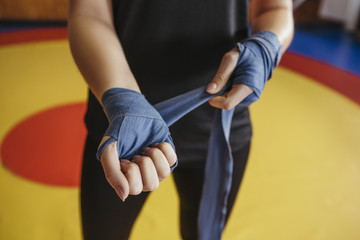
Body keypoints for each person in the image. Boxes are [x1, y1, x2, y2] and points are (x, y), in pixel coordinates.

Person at [68, 0, 294, 239]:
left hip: (217, 130)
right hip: (122, 131)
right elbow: (89, 12)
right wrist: (123, 98)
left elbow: (275, 8)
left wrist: (265, 45)